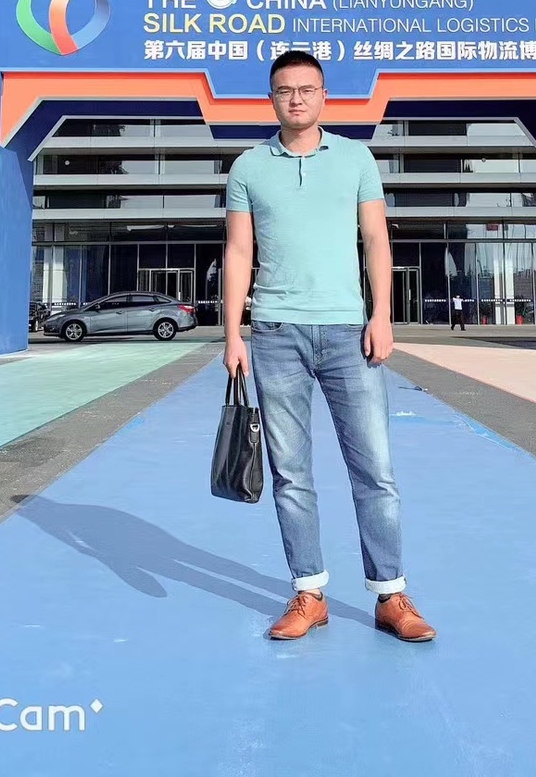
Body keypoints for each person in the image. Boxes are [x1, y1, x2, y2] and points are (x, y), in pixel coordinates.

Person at [223, 50, 436, 644]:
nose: (296, 98)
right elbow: (238, 251)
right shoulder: (248, 167)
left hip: (348, 332)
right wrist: (234, 332)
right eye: (285, 90)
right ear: (271, 98)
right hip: (274, 335)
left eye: (307, 89)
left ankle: (391, 596)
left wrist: (382, 315)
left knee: (375, 470)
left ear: (323, 96)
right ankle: (309, 593)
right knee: (290, 473)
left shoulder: (356, 158)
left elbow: (376, 239)